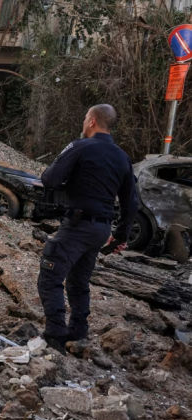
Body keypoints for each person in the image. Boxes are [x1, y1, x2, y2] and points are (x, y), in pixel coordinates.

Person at [37, 104, 137, 352]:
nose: (83, 122)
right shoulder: (122, 157)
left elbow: (50, 179)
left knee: (50, 276)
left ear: (92, 121)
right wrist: (120, 236)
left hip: (78, 225)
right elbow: (131, 202)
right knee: (78, 281)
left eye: (85, 118)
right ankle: (79, 333)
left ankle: (55, 335)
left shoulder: (80, 146)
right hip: (101, 230)